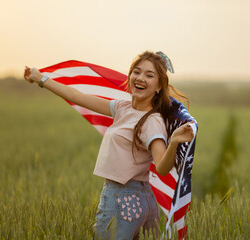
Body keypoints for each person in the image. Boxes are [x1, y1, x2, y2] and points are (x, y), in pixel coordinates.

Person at [24, 51, 194, 239]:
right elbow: (77, 96)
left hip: (122, 198)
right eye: (136, 72)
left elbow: (162, 167)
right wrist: (40, 78)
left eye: (149, 75)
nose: (140, 78)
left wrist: (174, 143)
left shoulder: (151, 120)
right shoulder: (123, 107)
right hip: (142, 199)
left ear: (159, 86)